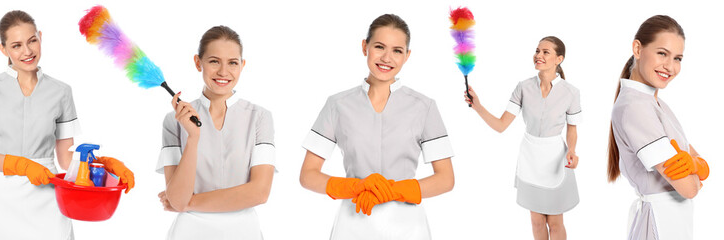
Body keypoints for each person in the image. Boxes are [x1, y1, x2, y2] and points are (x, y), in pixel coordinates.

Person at [299, 14, 455, 240]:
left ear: (407, 56)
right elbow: (308, 175)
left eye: (397, 50)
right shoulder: (337, 105)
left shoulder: (424, 107)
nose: (387, 58)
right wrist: (357, 186)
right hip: (352, 225)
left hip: (408, 228)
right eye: (379, 47)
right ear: (365, 47)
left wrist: (393, 191)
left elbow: (445, 179)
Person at [0, 10, 80, 240]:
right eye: (16, 45)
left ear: (40, 37)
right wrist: (20, 165)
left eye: (32, 40)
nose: (27, 51)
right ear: (3, 49)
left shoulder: (62, 92)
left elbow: (66, 159)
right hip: (1, 200)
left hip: (48, 198)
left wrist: (99, 167)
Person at [156, 26, 276, 240]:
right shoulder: (173, 121)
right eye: (214, 61)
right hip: (190, 232)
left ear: (242, 66)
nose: (223, 72)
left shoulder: (260, 118)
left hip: (243, 232)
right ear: (197, 62)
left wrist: (189, 202)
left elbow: (260, 192)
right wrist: (193, 138)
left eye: (232, 62)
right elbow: (177, 198)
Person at [464, 36, 581, 240]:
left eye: (546, 52)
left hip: (555, 159)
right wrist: (478, 107)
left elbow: (572, 128)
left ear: (559, 59)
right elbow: (501, 125)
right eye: (537, 50)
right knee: (536, 222)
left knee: (555, 223)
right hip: (530, 157)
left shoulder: (571, 93)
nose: (538, 55)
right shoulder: (523, 87)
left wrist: (572, 150)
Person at [607, 15, 708, 240]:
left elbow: (692, 156)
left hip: (670, 224)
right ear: (638, 48)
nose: (670, 66)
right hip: (658, 227)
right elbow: (689, 189)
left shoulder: (655, 104)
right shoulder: (636, 108)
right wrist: (696, 170)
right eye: (662, 53)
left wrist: (695, 163)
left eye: (678, 58)